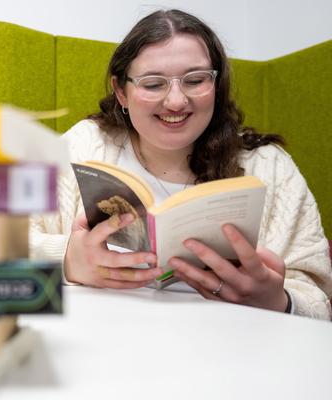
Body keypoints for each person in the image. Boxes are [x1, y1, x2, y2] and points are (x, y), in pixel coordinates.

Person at [30, 9, 332, 319]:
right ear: (122, 91)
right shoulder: (82, 145)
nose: (176, 101)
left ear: (217, 84)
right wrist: (65, 260)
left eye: (195, 80)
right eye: (152, 84)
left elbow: (318, 298)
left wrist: (280, 301)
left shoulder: (270, 166)